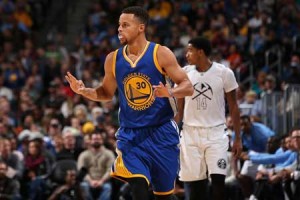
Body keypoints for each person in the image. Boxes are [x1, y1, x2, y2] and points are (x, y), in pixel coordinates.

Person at [65, 6, 193, 200]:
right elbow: (106, 93)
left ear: (141, 27)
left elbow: (188, 86)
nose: (119, 29)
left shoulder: (160, 53)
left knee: (164, 195)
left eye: (125, 25)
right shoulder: (113, 59)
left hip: (162, 132)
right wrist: (84, 91)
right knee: (138, 185)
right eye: (119, 25)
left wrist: (170, 92)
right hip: (131, 135)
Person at [176, 37, 242, 200]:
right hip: (190, 133)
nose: (186, 54)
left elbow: (233, 106)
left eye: (190, 50)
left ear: (201, 52)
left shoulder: (224, 73)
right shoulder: (184, 73)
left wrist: (238, 138)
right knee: (194, 183)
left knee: (219, 179)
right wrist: (174, 132)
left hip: (216, 133)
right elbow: (179, 108)